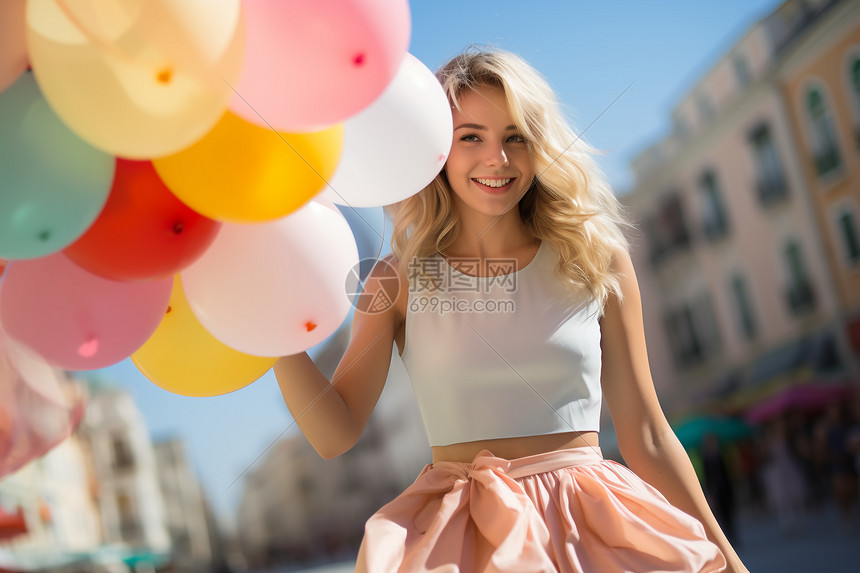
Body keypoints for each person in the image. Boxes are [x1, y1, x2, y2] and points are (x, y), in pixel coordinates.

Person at [274, 48, 747, 572]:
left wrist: (729, 559)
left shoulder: (596, 258)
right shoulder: (397, 279)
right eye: (471, 136)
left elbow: (649, 435)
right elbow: (335, 433)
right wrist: (272, 336)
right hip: (461, 541)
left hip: (590, 531)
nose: (496, 159)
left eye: (515, 137)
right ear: (438, 151)